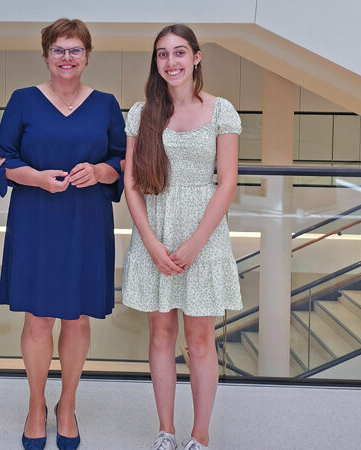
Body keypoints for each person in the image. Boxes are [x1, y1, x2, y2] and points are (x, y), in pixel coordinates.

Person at [0, 18, 126, 450]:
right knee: (38, 317)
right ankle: (36, 405)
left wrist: (100, 170)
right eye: (58, 50)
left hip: (86, 221)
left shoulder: (105, 104)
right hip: (36, 218)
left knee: (77, 317)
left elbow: (121, 161)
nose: (67, 58)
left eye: (75, 50)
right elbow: (2, 158)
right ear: (46, 54)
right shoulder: (23, 101)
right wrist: (35, 178)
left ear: (87, 55)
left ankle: (66, 405)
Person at [121, 24, 243, 450]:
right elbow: (132, 183)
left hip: (203, 235)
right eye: (161, 54)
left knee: (199, 340)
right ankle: (166, 431)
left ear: (196, 57)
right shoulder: (141, 112)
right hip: (156, 230)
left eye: (178, 53)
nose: (170, 62)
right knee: (160, 335)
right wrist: (152, 243)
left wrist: (194, 243)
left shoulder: (221, 110)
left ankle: (200, 434)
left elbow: (226, 183)